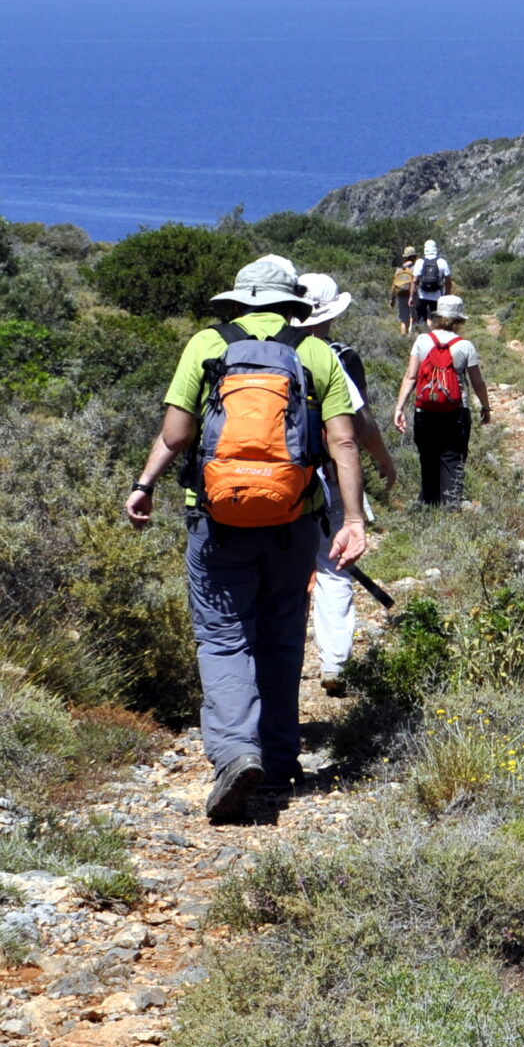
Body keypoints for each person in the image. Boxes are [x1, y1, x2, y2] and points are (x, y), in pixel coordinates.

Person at [125, 255, 368, 822]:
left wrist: (144, 485)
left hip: (216, 520)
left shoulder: (206, 345)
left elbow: (177, 433)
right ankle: (281, 756)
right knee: (281, 636)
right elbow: (344, 444)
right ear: (291, 304)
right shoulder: (315, 354)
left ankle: (236, 753)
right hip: (291, 519)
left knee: (222, 638)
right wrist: (351, 519)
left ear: (238, 301)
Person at [290, 272, 398, 694]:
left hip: (278, 480)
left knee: (287, 571)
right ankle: (334, 663)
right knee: (334, 566)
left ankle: (284, 661)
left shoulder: (264, 350)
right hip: (329, 477)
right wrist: (384, 462)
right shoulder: (337, 356)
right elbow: (360, 423)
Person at [392, 293, 492, 508]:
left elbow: (410, 377)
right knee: (453, 459)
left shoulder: (422, 340)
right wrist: (485, 407)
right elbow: (478, 383)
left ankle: (428, 506)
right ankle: (451, 509)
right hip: (456, 412)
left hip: (425, 409)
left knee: (428, 458)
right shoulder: (465, 346)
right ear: (459, 320)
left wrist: (399, 408)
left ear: (437, 316)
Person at [413, 240, 453, 325]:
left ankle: (421, 333)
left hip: (422, 296)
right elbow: (448, 281)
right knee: (435, 320)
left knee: (421, 319)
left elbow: (414, 280)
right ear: (436, 249)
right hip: (437, 296)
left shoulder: (419, 262)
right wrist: (447, 294)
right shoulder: (442, 262)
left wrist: (411, 296)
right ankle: (433, 335)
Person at [391, 246, 420, 337]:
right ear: (413, 257)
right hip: (413, 295)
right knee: (415, 319)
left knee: (404, 320)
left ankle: (403, 342)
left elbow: (394, 285)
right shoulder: (416, 267)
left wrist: (392, 299)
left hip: (401, 295)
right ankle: (414, 340)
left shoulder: (399, 269)